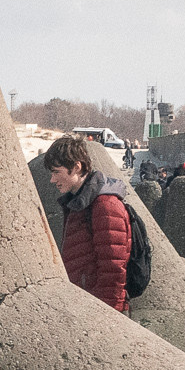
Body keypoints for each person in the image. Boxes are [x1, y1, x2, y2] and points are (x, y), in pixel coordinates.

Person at [41, 134, 134, 312]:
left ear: (77, 167)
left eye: (56, 172)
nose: (52, 180)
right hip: (84, 303)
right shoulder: (79, 202)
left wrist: (106, 315)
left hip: (101, 310)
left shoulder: (105, 206)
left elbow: (113, 269)